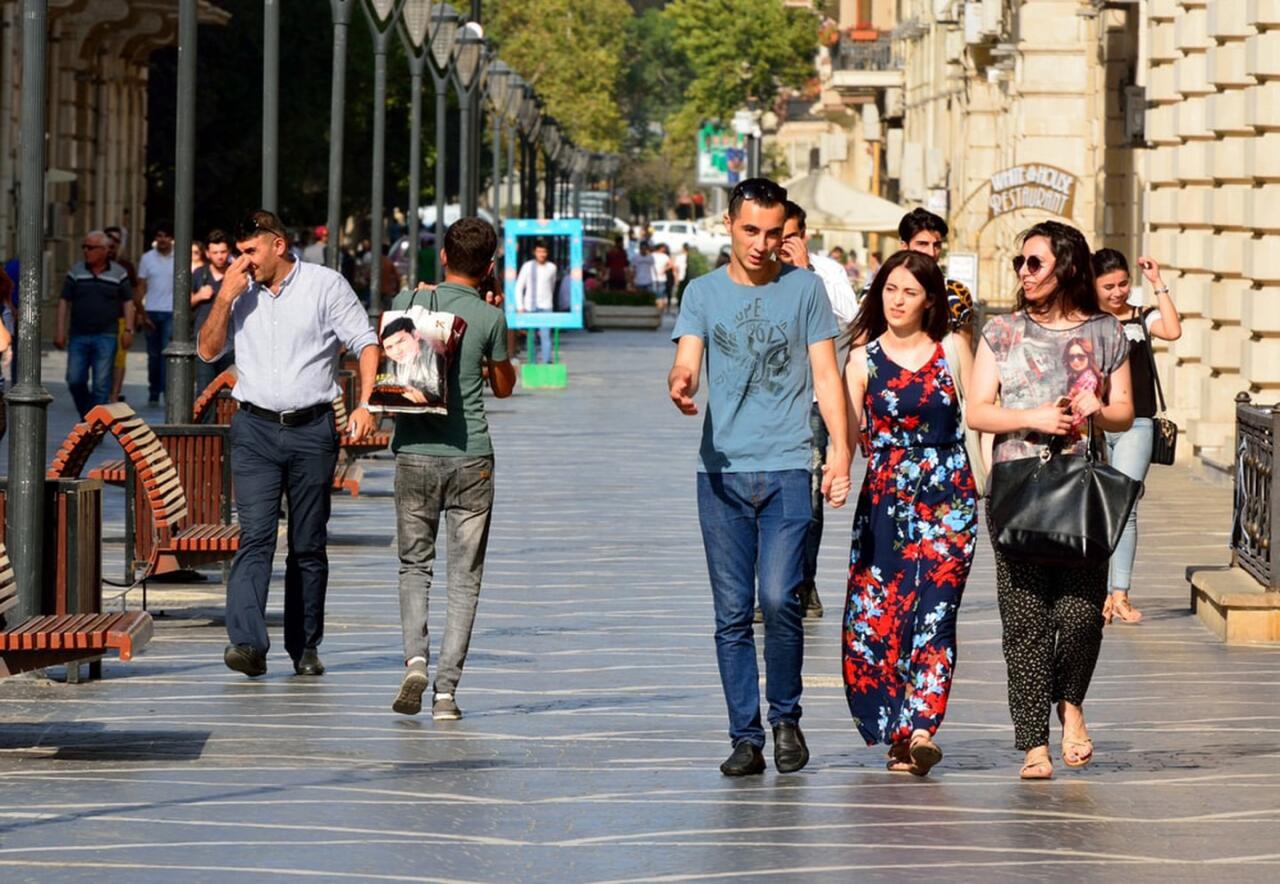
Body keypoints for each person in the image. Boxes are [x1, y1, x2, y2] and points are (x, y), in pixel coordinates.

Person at [668, 177, 851, 777]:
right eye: (750, 230)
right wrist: (681, 383)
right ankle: (745, 737)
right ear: (728, 225)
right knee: (730, 612)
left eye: (773, 233)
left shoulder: (805, 289)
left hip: (789, 466)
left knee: (778, 598)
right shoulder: (701, 292)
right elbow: (687, 357)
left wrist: (841, 451)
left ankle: (786, 718)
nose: (761, 244)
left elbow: (826, 376)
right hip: (721, 473)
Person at [967, 220, 1133, 779]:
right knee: (1025, 620)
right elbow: (977, 410)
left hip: (1081, 488)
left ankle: (1071, 702)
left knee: (1082, 615)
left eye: (1034, 262)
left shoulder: (1106, 332)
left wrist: (1097, 409)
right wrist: (1033, 417)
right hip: (1017, 487)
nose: (1023, 272)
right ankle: (1033, 743)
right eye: (1020, 262)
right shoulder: (1001, 331)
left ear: (1065, 266)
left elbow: (1125, 411)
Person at [197, 210, 379, 679]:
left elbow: (366, 342)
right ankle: (247, 644)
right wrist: (224, 297)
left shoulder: (324, 285)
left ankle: (305, 646)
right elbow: (207, 350)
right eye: (238, 253)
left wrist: (366, 404)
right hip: (254, 429)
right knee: (255, 536)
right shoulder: (238, 292)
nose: (243, 261)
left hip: (312, 429)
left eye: (250, 251)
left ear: (277, 245)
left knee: (307, 542)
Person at [841, 250, 977, 777]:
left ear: (930, 301)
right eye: (890, 289)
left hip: (949, 497)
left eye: (910, 292)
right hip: (886, 499)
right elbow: (845, 431)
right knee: (879, 617)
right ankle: (897, 731)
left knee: (937, 614)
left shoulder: (953, 348)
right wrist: (836, 469)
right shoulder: (862, 360)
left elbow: (977, 418)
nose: (897, 301)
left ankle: (922, 728)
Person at [390, 217, 516, 720]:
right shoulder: (489, 317)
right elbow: (503, 387)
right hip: (471, 458)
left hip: (414, 453)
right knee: (464, 579)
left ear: (442, 256)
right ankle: (446, 694)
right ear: (489, 266)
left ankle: (415, 661)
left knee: (413, 566)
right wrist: (494, 315)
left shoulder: (406, 303)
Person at [1092, 249, 1182, 625]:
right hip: (1093, 426)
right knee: (1095, 510)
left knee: (1125, 507)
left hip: (1137, 424)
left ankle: (1120, 595)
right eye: (1108, 286)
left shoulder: (1141, 317)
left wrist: (1157, 282)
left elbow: (1173, 330)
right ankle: (1097, 595)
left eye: (1123, 284)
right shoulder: (1086, 320)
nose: (1117, 292)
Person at [779, 201, 859, 620]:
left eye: (788, 235)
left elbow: (854, 320)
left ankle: (804, 582)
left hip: (812, 400)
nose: (780, 243)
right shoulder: (759, 274)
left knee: (810, 496)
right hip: (769, 402)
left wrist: (806, 275)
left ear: (804, 235)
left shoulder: (827, 272)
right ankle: (772, 585)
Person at [54, 230, 136, 417]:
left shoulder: (119, 273)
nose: (86, 251)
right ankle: (89, 416)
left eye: (91, 247)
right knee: (74, 380)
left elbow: (128, 302)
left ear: (105, 250)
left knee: (101, 384)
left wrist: (128, 330)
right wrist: (59, 330)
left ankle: (93, 424)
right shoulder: (76, 271)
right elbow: (64, 300)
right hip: (78, 335)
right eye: (84, 247)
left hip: (107, 335)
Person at [894, 208, 976, 352]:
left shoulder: (956, 293)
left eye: (937, 245)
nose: (931, 253)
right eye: (922, 244)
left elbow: (964, 353)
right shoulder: (879, 291)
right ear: (904, 246)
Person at [136, 221, 176, 407]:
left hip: (171, 312)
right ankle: (153, 391)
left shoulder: (179, 258)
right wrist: (142, 314)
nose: (163, 239)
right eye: (159, 236)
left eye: (166, 236)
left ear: (172, 239)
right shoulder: (147, 258)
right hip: (151, 311)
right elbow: (140, 286)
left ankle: (168, 392)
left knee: (167, 355)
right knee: (153, 356)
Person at [191, 229, 235, 392]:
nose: (220, 256)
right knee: (204, 391)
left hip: (231, 343)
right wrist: (199, 296)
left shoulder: (236, 274)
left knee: (229, 393)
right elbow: (183, 303)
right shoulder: (199, 274)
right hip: (204, 341)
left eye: (223, 252)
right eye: (215, 252)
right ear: (208, 254)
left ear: (229, 251)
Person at [105, 226, 141, 403]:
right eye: (109, 238)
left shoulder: (126, 267)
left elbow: (134, 294)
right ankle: (104, 390)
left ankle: (114, 394)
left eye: (116, 240)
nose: (112, 243)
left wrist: (137, 316)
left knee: (119, 358)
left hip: (121, 318)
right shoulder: (95, 264)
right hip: (101, 319)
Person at [515, 239, 556, 365]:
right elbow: (519, 286)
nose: (541, 254)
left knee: (546, 335)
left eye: (544, 251)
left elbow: (552, 286)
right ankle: (532, 363)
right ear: (534, 252)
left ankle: (546, 362)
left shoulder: (552, 268)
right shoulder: (527, 266)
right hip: (529, 306)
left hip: (546, 306)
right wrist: (520, 306)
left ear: (547, 253)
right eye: (539, 251)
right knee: (530, 336)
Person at [652, 243, 672, 312]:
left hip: (660, 278)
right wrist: (665, 269)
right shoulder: (653, 255)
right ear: (660, 248)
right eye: (664, 248)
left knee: (659, 294)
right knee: (658, 294)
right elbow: (671, 264)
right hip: (654, 277)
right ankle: (659, 310)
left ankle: (660, 310)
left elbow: (671, 265)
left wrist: (664, 269)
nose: (665, 249)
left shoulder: (664, 256)